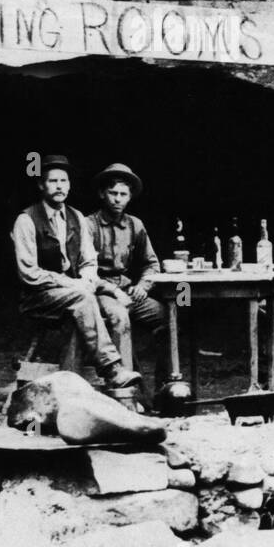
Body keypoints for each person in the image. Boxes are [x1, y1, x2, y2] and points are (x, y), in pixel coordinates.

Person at [10, 155, 141, 392]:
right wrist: (73, 284)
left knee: (102, 306)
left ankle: (117, 392)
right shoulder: (26, 220)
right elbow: (29, 273)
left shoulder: (76, 217)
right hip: (38, 298)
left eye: (64, 181)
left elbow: (88, 261)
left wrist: (88, 280)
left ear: (69, 185)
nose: (59, 186)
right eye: (52, 181)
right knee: (82, 299)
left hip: (75, 293)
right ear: (41, 185)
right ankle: (111, 368)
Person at [88, 163, 170, 393]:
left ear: (130, 197)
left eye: (123, 194)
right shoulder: (89, 225)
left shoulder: (135, 225)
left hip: (127, 289)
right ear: (102, 194)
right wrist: (110, 290)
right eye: (112, 193)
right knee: (120, 318)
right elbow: (83, 271)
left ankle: (165, 386)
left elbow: (151, 263)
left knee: (168, 318)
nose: (117, 199)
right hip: (99, 291)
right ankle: (125, 391)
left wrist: (143, 285)